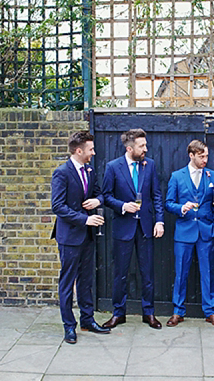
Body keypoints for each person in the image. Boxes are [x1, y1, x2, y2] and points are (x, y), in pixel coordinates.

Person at [51, 131, 111, 344]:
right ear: (79, 151)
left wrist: (97, 201)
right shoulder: (62, 173)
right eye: (90, 149)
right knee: (68, 282)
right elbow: (57, 206)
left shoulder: (90, 170)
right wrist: (84, 220)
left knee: (86, 280)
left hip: (87, 236)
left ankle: (87, 320)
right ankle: (69, 326)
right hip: (69, 237)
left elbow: (99, 193)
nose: (93, 153)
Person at [101, 128, 165, 330]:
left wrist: (160, 221)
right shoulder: (113, 167)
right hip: (123, 226)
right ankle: (118, 313)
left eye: (145, 145)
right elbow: (106, 196)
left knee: (147, 273)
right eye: (141, 146)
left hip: (146, 226)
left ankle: (149, 313)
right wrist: (122, 206)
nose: (145, 149)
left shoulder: (150, 165)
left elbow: (156, 195)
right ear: (130, 148)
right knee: (120, 273)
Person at [165, 140, 214, 328]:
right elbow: (168, 203)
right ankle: (178, 311)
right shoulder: (177, 176)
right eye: (201, 156)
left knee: (208, 271)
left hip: (206, 231)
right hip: (184, 231)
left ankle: (210, 311)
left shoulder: (212, 175)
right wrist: (182, 208)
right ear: (191, 155)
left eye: (206, 156)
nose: (205, 159)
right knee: (181, 272)